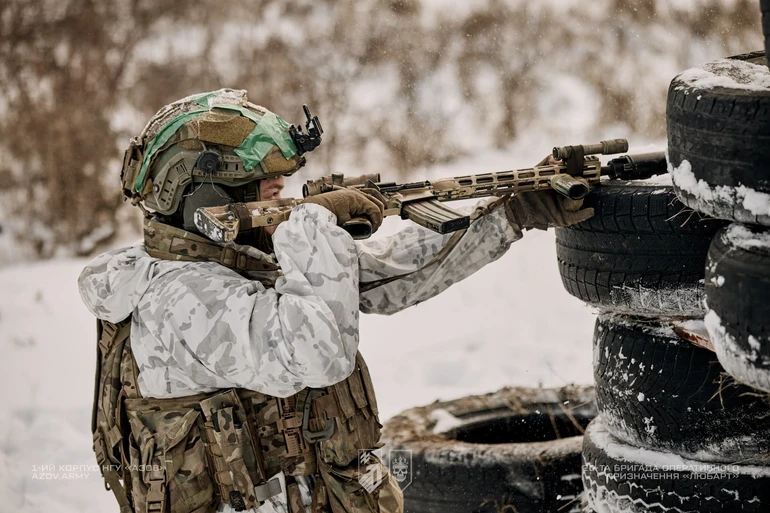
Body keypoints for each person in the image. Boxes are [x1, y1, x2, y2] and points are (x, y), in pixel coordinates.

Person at [78, 89, 593, 513]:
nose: (284, 202)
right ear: (209, 200)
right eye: (272, 192)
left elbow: (388, 275)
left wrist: (512, 211)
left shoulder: (236, 259)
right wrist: (316, 227)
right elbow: (317, 351)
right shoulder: (177, 299)